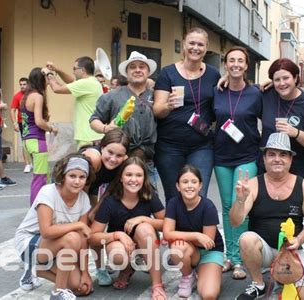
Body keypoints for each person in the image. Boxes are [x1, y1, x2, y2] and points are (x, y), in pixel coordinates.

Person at [229, 132, 304, 300]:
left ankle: (284, 278)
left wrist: (299, 240)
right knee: (246, 238)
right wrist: (240, 201)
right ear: (264, 159)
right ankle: (258, 284)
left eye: (282, 155)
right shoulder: (253, 185)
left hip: (291, 251)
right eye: (271, 154)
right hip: (262, 251)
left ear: (290, 160)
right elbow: (235, 221)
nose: (277, 159)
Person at [14, 154, 95, 300]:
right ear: (63, 175)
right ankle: (58, 292)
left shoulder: (83, 198)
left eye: (82, 177)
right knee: (72, 237)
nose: (77, 181)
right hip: (31, 243)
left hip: (59, 244)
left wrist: (85, 273)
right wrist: (78, 225)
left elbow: (83, 240)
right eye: (72, 176)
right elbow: (46, 231)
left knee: (79, 287)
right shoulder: (48, 192)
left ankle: (33, 269)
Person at [153, 27, 221, 201]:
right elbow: (158, 111)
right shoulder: (168, 73)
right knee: (174, 197)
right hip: (169, 146)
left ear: (206, 49)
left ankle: (196, 229)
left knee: (197, 197)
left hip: (202, 145)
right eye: (191, 43)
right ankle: (174, 229)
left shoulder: (213, 74)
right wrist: (168, 104)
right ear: (184, 45)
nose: (195, 48)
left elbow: (223, 93)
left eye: (200, 44)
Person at [213, 46, 262, 279]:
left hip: (247, 156)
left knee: (239, 204)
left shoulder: (256, 93)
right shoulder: (218, 91)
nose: (235, 64)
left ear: (246, 65)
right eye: (231, 60)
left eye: (240, 61)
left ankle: (242, 259)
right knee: (225, 206)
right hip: (222, 157)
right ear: (225, 64)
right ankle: (230, 256)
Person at [90, 157, 167, 298]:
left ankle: (157, 284)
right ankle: (126, 269)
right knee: (118, 256)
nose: (134, 179)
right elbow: (93, 237)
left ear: (144, 178)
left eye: (139, 175)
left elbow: (168, 224)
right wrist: (117, 235)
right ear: (121, 178)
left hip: (145, 241)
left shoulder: (149, 195)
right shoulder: (110, 201)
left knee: (144, 228)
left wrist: (143, 219)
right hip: (120, 244)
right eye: (129, 175)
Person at [90, 51, 157, 179]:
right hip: (116, 162)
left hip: (147, 163)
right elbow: (94, 120)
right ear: (126, 73)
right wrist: (105, 128)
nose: (137, 70)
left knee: (149, 198)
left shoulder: (156, 96)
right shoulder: (112, 96)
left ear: (148, 72)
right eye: (132, 67)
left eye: (141, 67)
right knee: (114, 198)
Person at [163, 165, 224, 299]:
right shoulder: (173, 203)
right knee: (177, 247)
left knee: (209, 295)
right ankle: (188, 276)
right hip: (188, 249)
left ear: (200, 185)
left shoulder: (208, 206)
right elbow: (167, 233)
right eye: (185, 182)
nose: (189, 186)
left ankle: (205, 273)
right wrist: (196, 235)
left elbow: (208, 241)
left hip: (209, 252)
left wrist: (196, 237)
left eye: (194, 182)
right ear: (178, 186)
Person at [80, 128, 130, 286]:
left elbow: (109, 190)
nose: (114, 159)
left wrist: (95, 211)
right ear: (102, 146)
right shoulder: (93, 158)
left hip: (92, 188)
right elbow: (81, 190)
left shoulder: (122, 164)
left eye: (119, 155)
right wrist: (86, 213)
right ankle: (82, 271)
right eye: (110, 152)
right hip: (75, 188)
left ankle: (100, 268)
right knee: (82, 230)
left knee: (95, 229)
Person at [260, 58, 304, 180]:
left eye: (286, 78)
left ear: (295, 78)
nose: (282, 83)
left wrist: (296, 133)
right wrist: (227, 77)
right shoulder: (266, 94)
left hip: (297, 172)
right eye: (277, 79)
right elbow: (242, 90)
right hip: (267, 170)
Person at [45, 56, 104, 148]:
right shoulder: (92, 82)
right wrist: (57, 70)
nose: (73, 71)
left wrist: (48, 74)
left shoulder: (86, 83)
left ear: (83, 70)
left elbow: (57, 89)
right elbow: (71, 81)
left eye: (74, 69)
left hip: (87, 136)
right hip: (92, 134)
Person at [22, 68, 58, 204]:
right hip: (37, 140)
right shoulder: (38, 96)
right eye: (47, 78)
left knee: (42, 175)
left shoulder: (27, 95)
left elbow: (31, 118)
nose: (49, 80)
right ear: (41, 79)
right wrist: (51, 128)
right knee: (40, 177)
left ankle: (39, 207)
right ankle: (36, 209)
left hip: (28, 140)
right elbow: (38, 121)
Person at [10, 77, 32, 173]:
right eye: (21, 84)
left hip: (33, 122)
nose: (22, 86)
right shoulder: (17, 96)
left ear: (28, 85)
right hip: (22, 122)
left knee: (33, 143)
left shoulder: (32, 95)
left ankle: (34, 163)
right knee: (25, 143)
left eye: (24, 84)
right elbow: (12, 110)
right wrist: (14, 123)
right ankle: (27, 164)